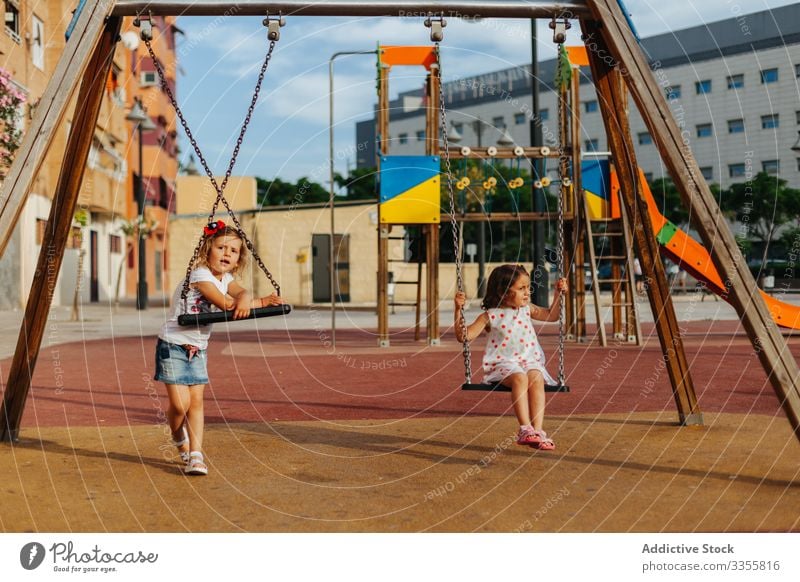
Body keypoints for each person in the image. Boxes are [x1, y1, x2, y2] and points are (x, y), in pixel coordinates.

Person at [155, 220, 283, 475]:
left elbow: (240, 292)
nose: (227, 254)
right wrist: (257, 301)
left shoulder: (226, 278)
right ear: (207, 249)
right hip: (174, 344)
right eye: (221, 247)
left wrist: (247, 298)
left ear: (238, 260)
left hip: (198, 347)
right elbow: (226, 303)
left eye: (233, 251)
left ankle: (195, 454)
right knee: (180, 405)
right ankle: (179, 437)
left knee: (197, 402)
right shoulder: (200, 275)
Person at [454, 264, 567, 450]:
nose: (527, 293)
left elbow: (552, 315)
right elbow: (464, 336)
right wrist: (458, 310)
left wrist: (558, 294)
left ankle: (538, 432)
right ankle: (525, 428)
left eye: (527, 288)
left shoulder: (527, 309)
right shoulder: (489, 316)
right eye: (521, 288)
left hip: (529, 361)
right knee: (520, 378)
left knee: (536, 378)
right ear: (504, 292)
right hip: (503, 365)